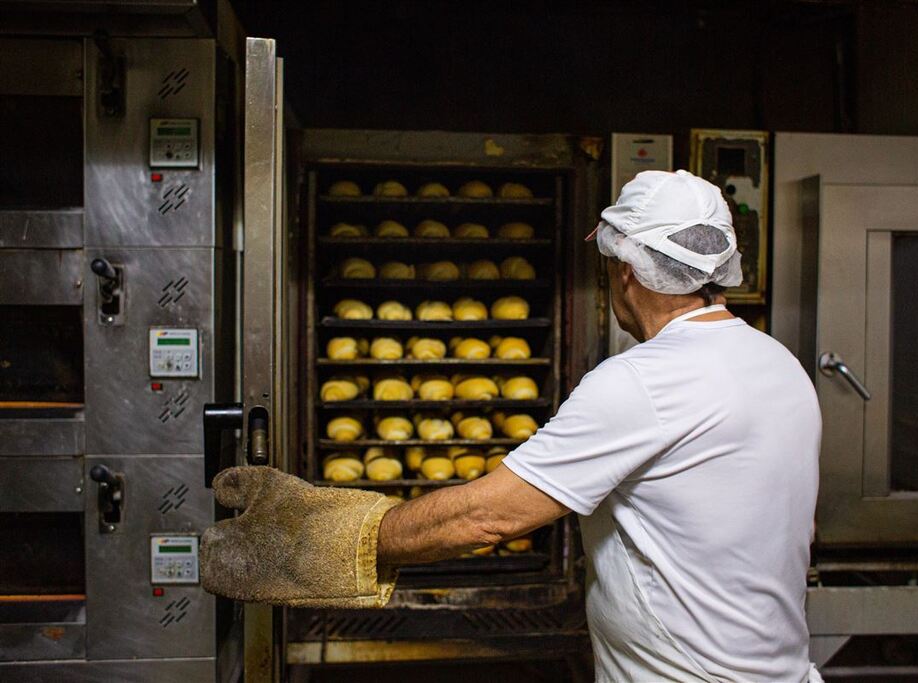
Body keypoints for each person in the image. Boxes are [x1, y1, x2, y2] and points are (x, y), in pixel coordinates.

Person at [201, 170, 822, 682]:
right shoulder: (778, 364)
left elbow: (485, 518)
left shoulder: (643, 381)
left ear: (626, 268)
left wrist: (320, 538)